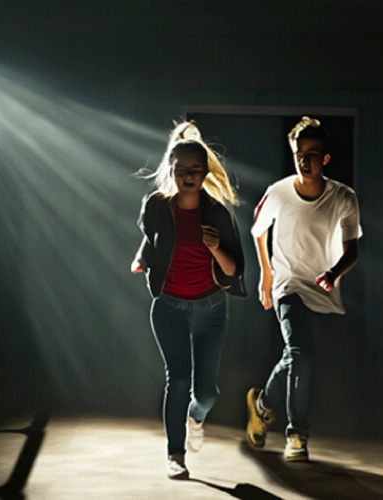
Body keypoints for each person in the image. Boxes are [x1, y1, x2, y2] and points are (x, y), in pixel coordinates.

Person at [132, 121, 246, 480]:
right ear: (172, 172)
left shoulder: (217, 214)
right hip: (168, 308)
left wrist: (215, 247)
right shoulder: (155, 205)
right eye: (181, 170)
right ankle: (175, 455)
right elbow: (152, 239)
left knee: (206, 393)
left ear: (204, 173)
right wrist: (140, 260)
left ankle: (196, 416)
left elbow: (233, 270)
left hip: (211, 309)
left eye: (195, 170)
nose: (188, 176)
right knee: (177, 380)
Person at [245, 116, 361, 462]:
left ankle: (262, 405)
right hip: (288, 283)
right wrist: (267, 275)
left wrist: (333, 272)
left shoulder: (344, 197)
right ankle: (297, 435)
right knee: (299, 353)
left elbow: (352, 249)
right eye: (299, 153)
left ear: (325, 158)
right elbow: (257, 230)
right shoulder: (278, 193)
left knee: (296, 357)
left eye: (312, 154)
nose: (304, 160)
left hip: (322, 286)